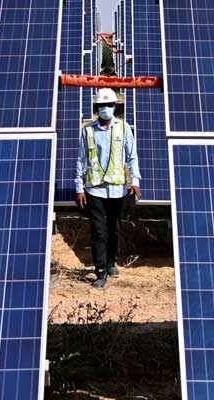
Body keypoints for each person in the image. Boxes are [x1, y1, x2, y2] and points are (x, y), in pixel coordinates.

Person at [75, 88, 141, 289]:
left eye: (110, 105)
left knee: (113, 229)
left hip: (117, 190)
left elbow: (132, 156)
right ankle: (100, 270)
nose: (106, 109)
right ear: (97, 107)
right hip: (94, 190)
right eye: (102, 106)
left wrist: (135, 181)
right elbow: (81, 160)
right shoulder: (87, 131)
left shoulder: (124, 127)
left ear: (115, 107)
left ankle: (112, 261)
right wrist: (79, 186)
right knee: (98, 232)